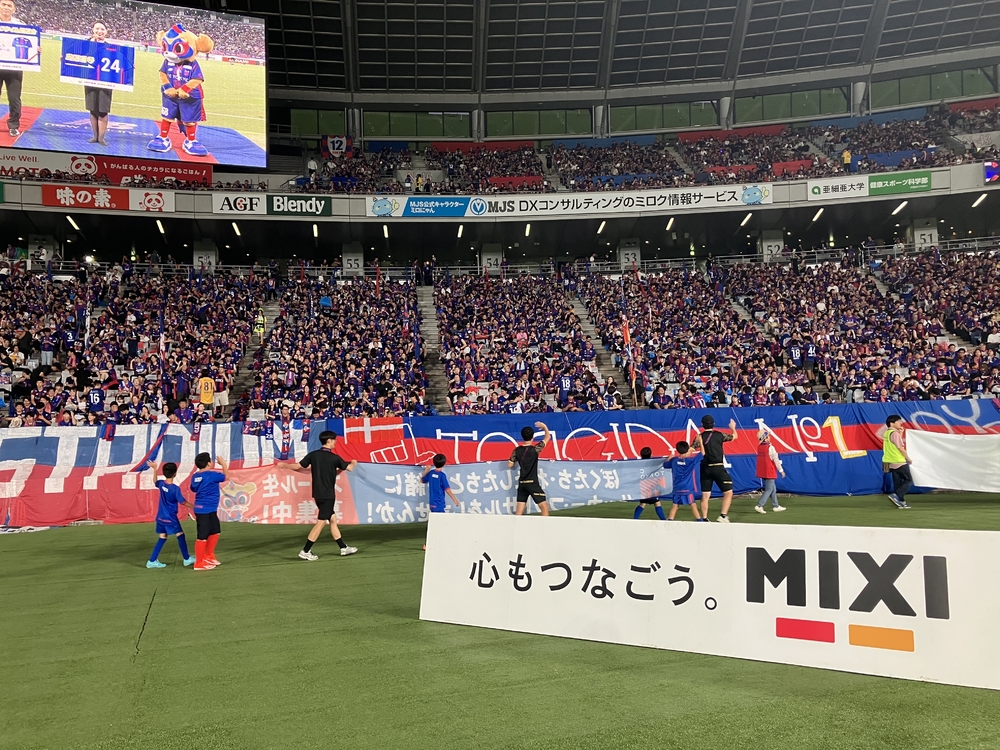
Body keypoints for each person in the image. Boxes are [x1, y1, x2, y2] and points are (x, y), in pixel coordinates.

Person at [283, 430, 358, 560]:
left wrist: (284, 465)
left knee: (332, 519)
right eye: (334, 440)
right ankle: (306, 550)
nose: (335, 442)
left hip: (318, 494)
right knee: (321, 522)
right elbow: (349, 468)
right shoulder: (335, 458)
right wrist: (354, 462)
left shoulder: (313, 455)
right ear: (328, 441)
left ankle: (343, 547)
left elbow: (298, 466)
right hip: (328, 495)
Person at [146, 461, 195, 568]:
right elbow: (183, 502)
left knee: (162, 537)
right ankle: (186, 559)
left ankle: (152, 561)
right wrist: (194, 506)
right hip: (170, 518)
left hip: (160, 517)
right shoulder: (175, 489)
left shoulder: (161, 484)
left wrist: (155, 469)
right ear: (175, 473)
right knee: (180, 535)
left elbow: (155, 482)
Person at [692, 414, 738, 523]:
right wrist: (733, 428)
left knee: (705, 495)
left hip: (705, 468)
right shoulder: (719, 435)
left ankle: (704, 518)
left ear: (702, 425)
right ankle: (723, 516)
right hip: (718, 467)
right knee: (728, 492)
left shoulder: (700, 437)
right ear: (713, 424)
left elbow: (691, 448)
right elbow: (734, 437)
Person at [189, 452, 228, 570]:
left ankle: (208, 555)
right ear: (208, 463)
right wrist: (223, 464)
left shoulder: (195, 476)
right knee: (202, 536)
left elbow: (193, 488)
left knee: (215, 531)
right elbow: (226, 477)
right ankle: (198, 563)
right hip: (204, 511)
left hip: (208, 509)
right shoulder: (212, 475)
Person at [508, 421, 551, 517]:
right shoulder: (535, 449)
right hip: (532, 483)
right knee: (544, 507)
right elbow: (547, 437)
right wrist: (544, 427)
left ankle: (515, 526)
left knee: (519, 512)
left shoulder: (517, 450)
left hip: (522, 483)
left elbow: (510, 465)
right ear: (532, 437)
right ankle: (546, 525)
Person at [420, 453, 460, 550]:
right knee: (439, 523)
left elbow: (422, 480)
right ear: (444, 463)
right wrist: (454, 499)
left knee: (437, 523)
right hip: (439, 503)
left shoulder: (431, 473)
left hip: (432, 503)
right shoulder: (442, 475)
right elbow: (447, 489)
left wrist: (427, 469)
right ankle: (429, 543)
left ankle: (433, 542)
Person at [83, 22, 112, 146]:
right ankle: (95, 136)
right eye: (97, 28)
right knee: (92, 109)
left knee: (103, 110)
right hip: (90, 81)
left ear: (106, 31)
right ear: (92, 29)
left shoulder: (110, 47)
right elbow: (73, 55)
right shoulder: (85, 45)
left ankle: (101, 138)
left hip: (105, 83)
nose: (100, 31)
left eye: (102, 29)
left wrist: (130, 65)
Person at [664, 441, 707, 522]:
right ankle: (699, 520)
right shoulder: (690, 461)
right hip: (687, 488)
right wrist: (701, 441)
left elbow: (665, 465)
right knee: (692, 504)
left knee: (675, 505)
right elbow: (702, 453)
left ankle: (670, 520)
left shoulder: (674, 461)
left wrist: (669, 458)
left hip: (677, 488)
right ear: (687, 449)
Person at [0, 0, 24, 137]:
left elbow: (30, 43)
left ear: (14, 9)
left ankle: (13, 126)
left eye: (9, 5)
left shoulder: (20, 25)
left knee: (14, 98)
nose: (6, 7)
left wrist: (36, 49)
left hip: (14, 68)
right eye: (3, 4)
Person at [883, 415, 913, 509]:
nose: (900, 423)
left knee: (898, 482)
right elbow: (900, 448)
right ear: (892, 423)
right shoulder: (894, 433)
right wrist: (908, 458)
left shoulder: (887, 433)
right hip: (898, 461)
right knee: (908, 480)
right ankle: (896, 496)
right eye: (898, 421)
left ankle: (901, 501)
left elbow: (894, 443)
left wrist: (900, 433)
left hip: (890, 461)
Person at [754, 431, 787, 514]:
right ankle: (759, 505)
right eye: (768, 436)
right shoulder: (770, 448)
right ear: (765, 438)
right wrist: (781, 470)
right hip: (769, 471)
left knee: (773, 489)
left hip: (763, 471)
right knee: (769, 489)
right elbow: (776, 460)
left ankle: (776, 505)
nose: (770, 437)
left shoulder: (759, 447)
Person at [634, 446, 668, 520]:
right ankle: (663, 520)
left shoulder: (639, 464)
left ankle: (635, 518)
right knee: (657, 503)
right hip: (652, 487)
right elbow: (662, 463)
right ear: (651, 454)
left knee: (642, 504)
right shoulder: (653, 463)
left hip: (643, 487)